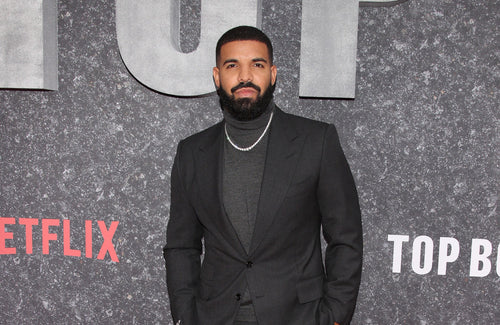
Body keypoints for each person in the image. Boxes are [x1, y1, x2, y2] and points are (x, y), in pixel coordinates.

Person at [163, 26, 363, 325]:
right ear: (217, 76)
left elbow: (345, 238)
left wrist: (334, 317)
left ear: (272, 73)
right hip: (214, 315)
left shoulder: (316, 141)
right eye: (233, 66)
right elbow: (181, 246)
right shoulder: (192, 152)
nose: (245, 76)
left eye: (257, 64)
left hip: (298, 315)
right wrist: (185, 316)